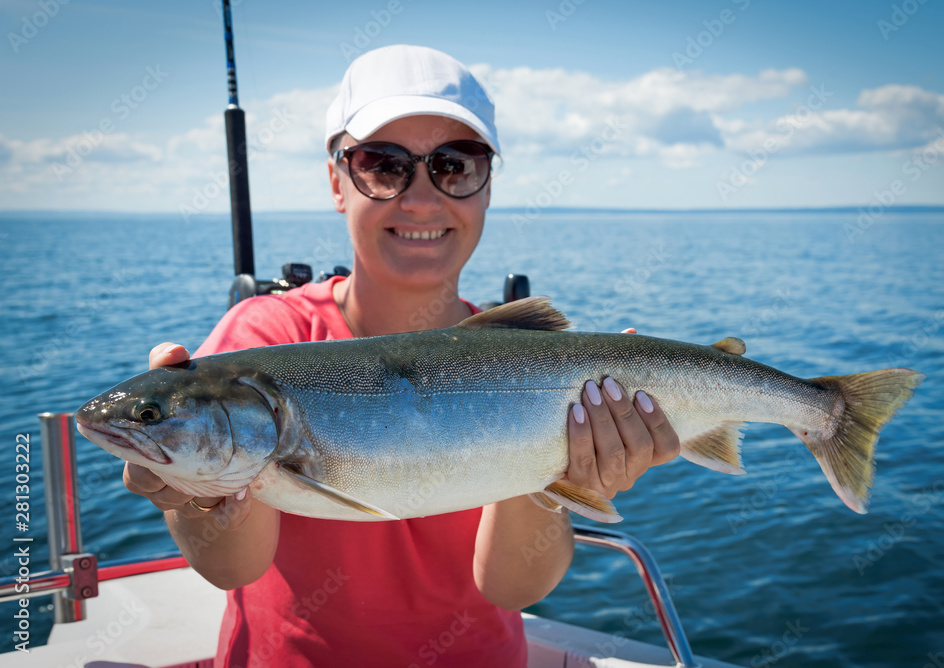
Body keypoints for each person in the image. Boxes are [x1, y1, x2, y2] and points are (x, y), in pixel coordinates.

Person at [124, 44, 680, 667]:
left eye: (455, 165)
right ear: (337, 181)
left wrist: (561, 477)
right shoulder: (263, 337)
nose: (420, 199)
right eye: (384, 166)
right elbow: (232, 568)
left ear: (487, 186)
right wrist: (197, 486)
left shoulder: (530, 366)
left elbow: (514, 588)